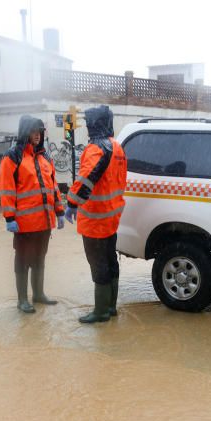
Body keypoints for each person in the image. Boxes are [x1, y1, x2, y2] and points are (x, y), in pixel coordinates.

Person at [65, 105, 127, 323]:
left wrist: (72, 202)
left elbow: (86, 179)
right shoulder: (117, 148)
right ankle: (111, 308)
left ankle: (100, 312)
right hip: (111, 217)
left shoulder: (95, 149)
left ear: (93, 124)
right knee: (110, 261)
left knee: (98, 264)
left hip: (95, 219)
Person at [0, 115, 65, 313]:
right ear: (25, 132)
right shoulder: (13, 156)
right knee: (23, 259)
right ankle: (22, 299)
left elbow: (54, 187)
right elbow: (7, 189)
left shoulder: (45, 157)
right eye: (34, 131)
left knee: (39, 258)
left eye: (40, 131)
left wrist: (59, 211)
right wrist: (9, 217)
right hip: (24, 223)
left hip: (44, 222)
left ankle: (38, 294)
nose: (37, 135)